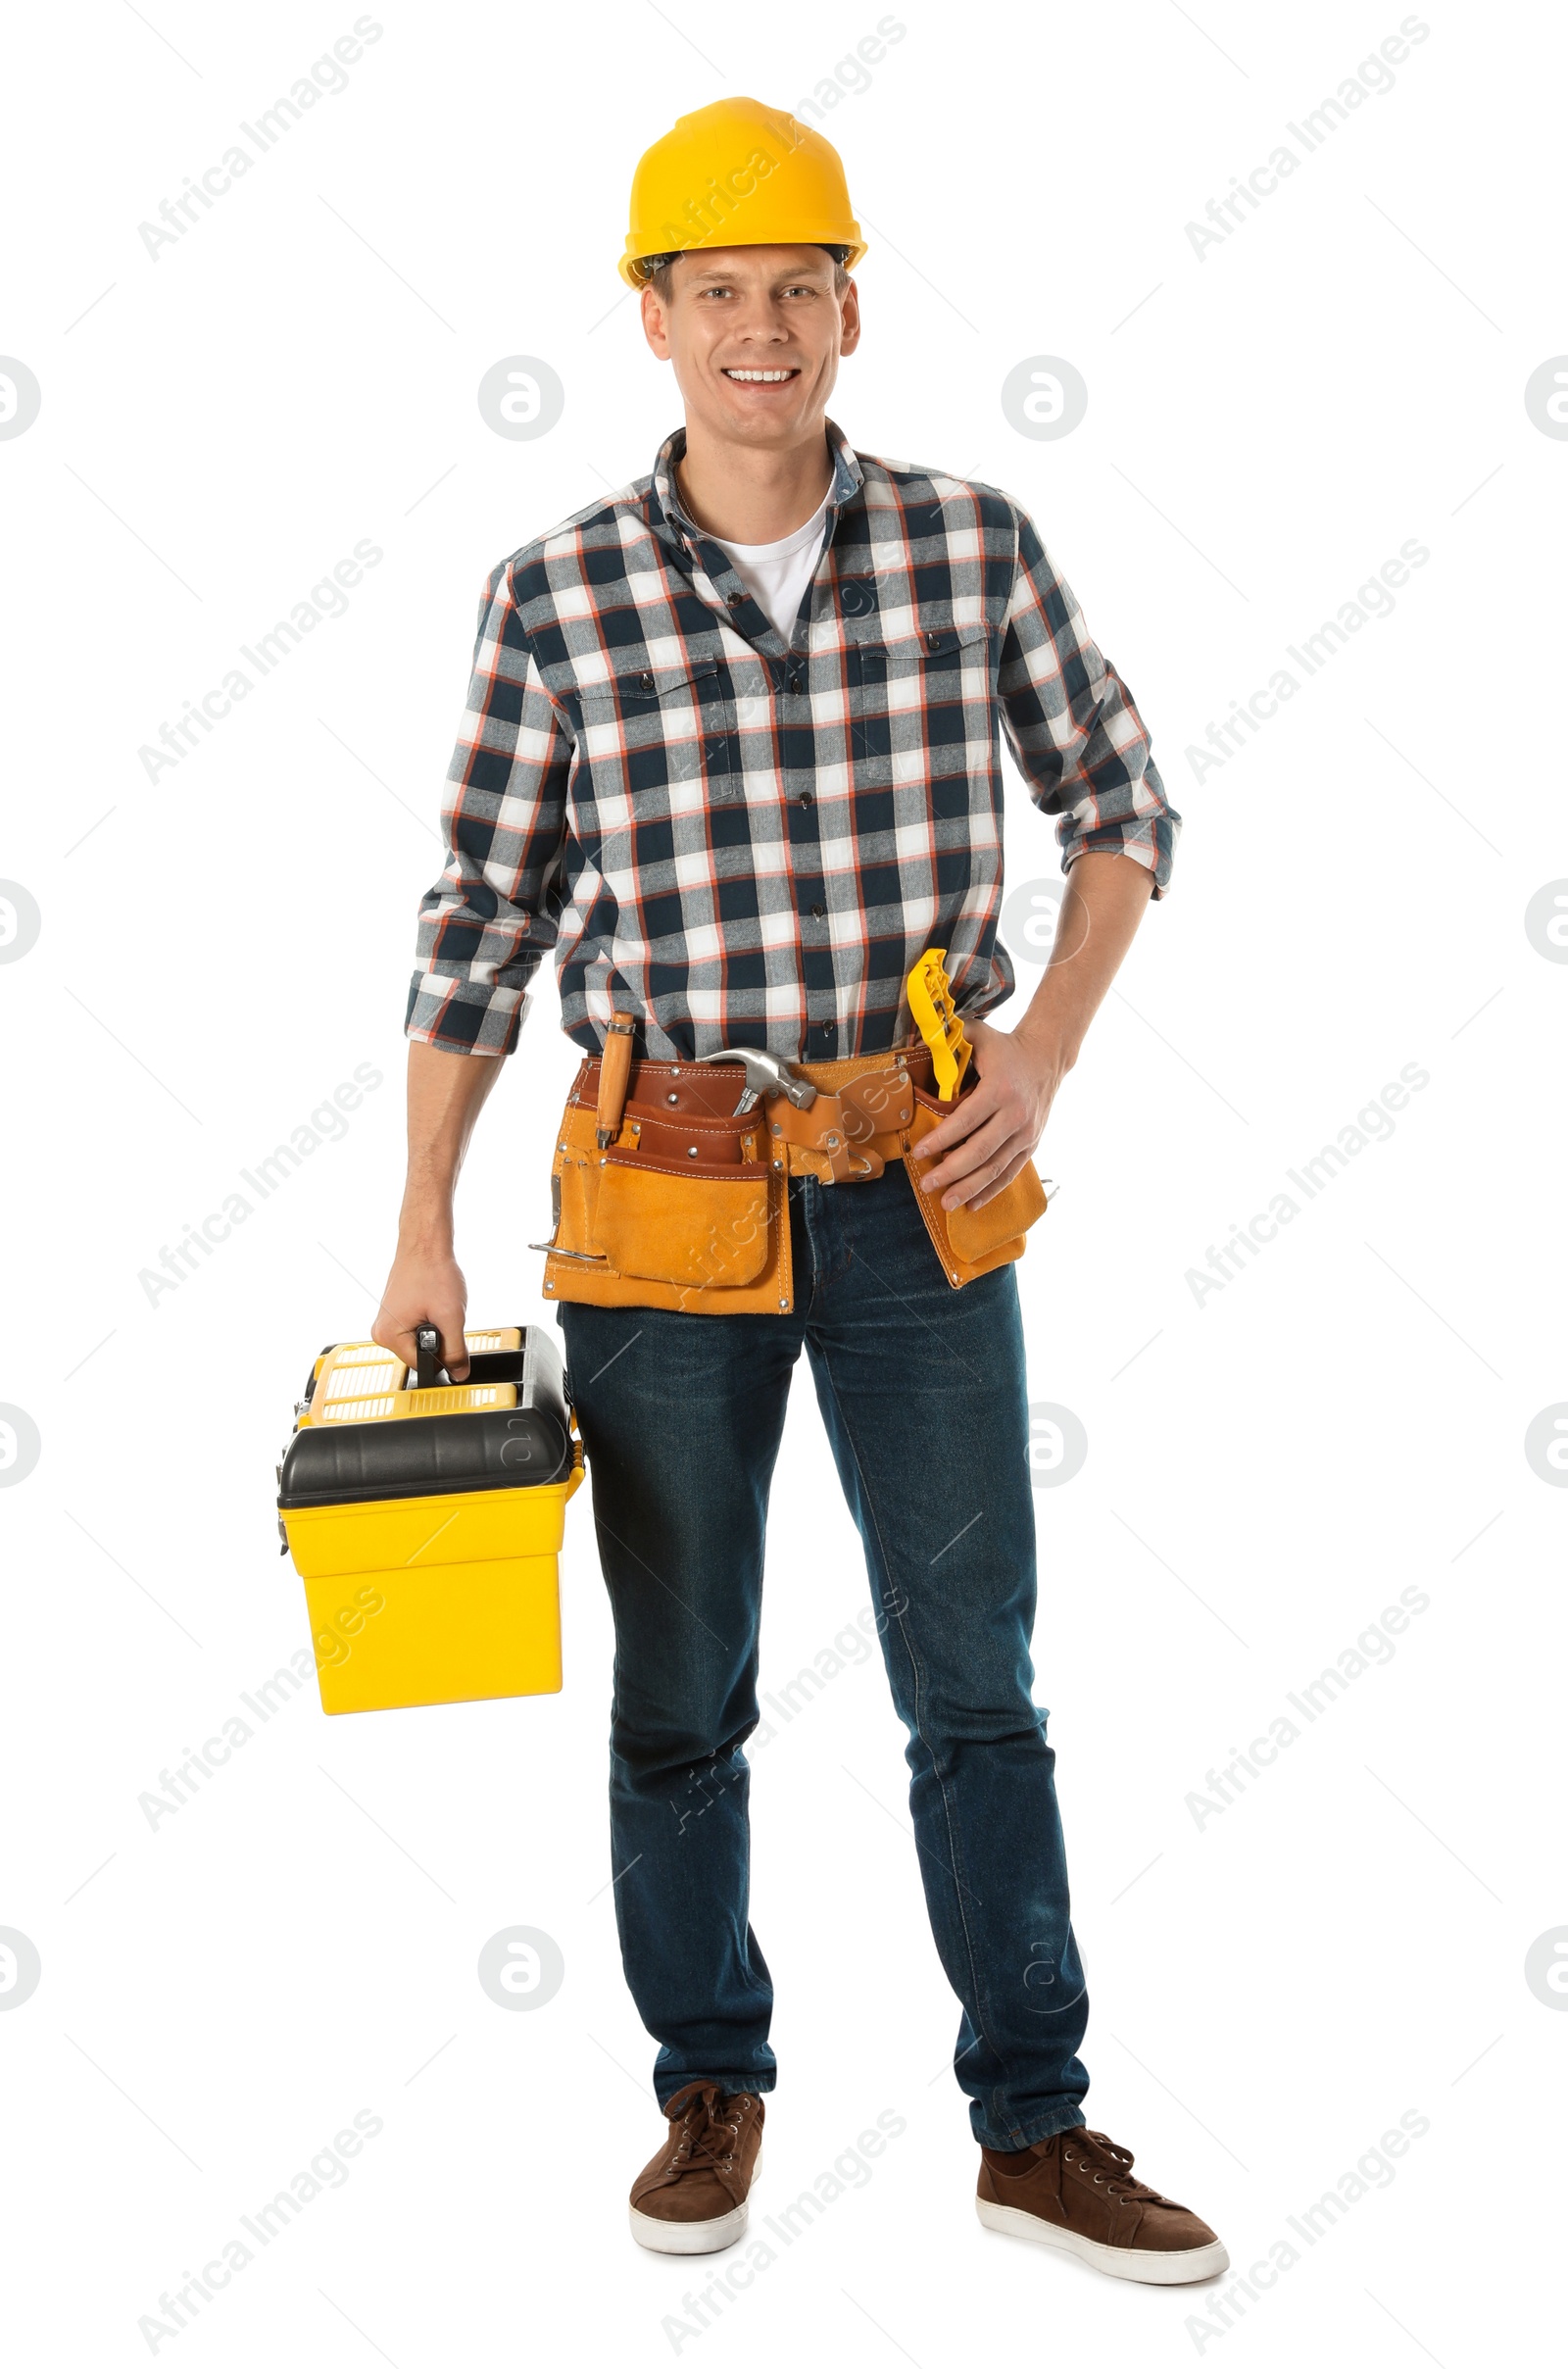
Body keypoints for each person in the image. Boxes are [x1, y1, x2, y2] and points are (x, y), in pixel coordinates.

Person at [374, 96, 1227, 2287]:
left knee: (975, 1676)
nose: (760, 328)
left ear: (851, 304)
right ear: (648, 320)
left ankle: (1029, 2127)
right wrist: (418, 1225)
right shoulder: (555, 595)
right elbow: (480, 921)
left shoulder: (969, 544)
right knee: (680, 1688)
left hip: (916, 1193)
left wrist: (1036, 1058)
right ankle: (708, 2081)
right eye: (715, 292)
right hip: (656, 1205)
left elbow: (1120, 807)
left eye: (795, 287)